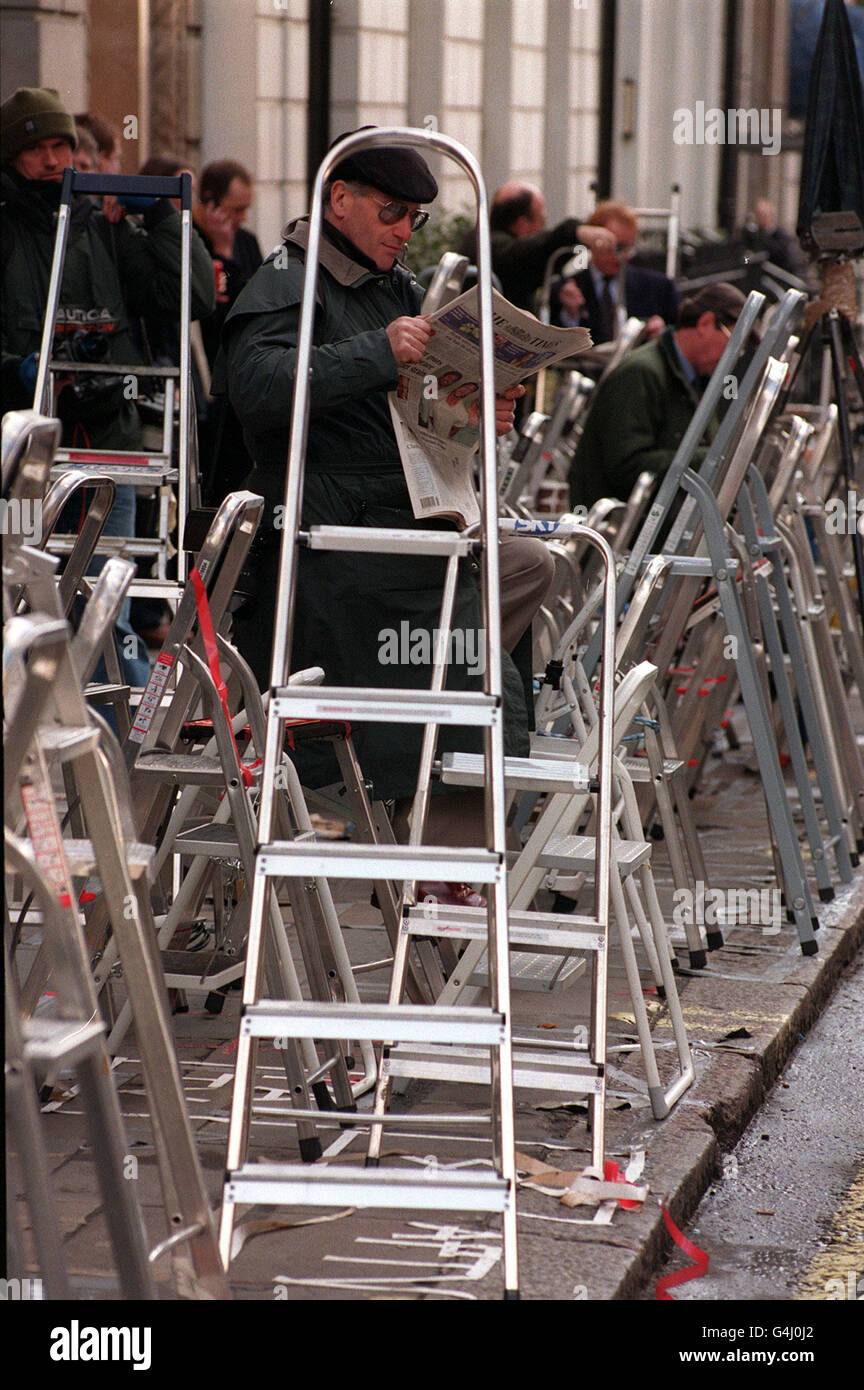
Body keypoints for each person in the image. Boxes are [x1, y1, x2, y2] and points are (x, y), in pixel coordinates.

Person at [214, 132, 553, 904]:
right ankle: (440, 850)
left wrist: (478, 403)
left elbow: (413, 403)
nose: (406, 230)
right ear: (340, 201)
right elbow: (258, 389)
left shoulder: (392, 282)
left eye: (418, 218)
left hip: (397, 508)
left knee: (535, 564)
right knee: (473, 627)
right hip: (327, 527)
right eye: (394, 211)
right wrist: (376, 351)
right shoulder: (289, 281)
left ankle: (443, 797)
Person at [1, 87, 216, 683]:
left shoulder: (103, 223)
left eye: (61, 146)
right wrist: (21, 370)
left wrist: (161, 215)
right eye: (36, 149)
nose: (53, 161)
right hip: (21, 455)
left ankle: (111, 742)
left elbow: (189, 299)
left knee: (104, 605)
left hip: (109, 453)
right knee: (19, 595)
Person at [569, 283, 748, 511]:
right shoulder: (641, 372)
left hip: (657, 522)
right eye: (734, 342)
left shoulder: (693, 376)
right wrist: (712, 458)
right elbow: (626, 469)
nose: (736, 356)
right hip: (626, 530)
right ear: (704, 324)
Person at [460, 180, 616, 313]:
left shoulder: (480, 240)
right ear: (522, 223)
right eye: (542, 220)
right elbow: (529, 254)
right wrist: (573, 231)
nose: (543, 228)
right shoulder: (487, 247)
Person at [551, 200, 679, 341]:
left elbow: (680, 336)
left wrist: (663, 334)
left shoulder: (659, 288)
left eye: (627, 248)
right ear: (592, 241)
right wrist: (570, 315)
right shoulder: (565, 289)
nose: (622, 256)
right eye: (614, 247)